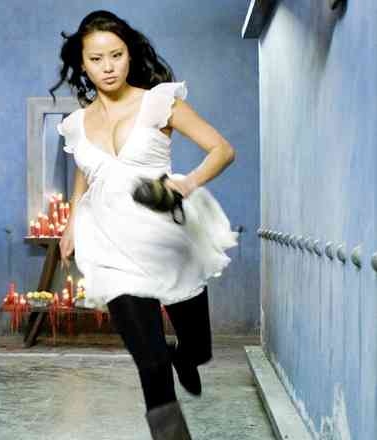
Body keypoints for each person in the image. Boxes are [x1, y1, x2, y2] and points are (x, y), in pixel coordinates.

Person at [48, 10, 238, 440]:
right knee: (151, 364)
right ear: (82, 64)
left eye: (116, 55)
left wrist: (187, 183)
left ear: (130, 55)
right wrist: (72, 222)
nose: (108, 67)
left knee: (198, 348)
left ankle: (185, 356)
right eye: (96, 59)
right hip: (110, 248)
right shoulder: (76, 124)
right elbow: (86, 174)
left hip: (168, 242)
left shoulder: (159, 103)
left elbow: (222, 150)